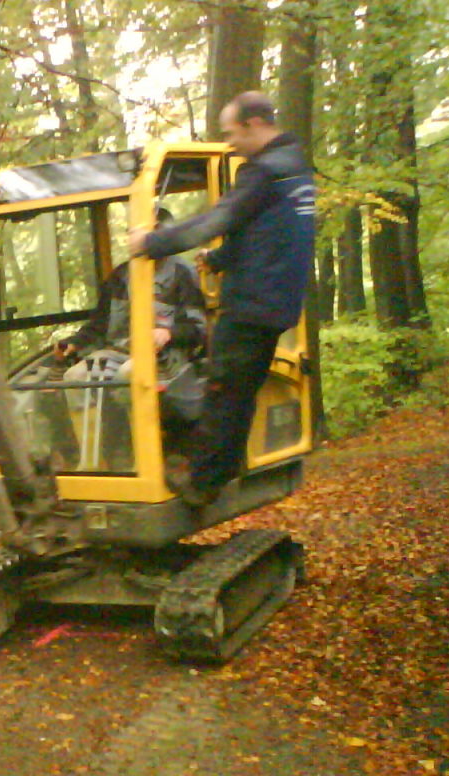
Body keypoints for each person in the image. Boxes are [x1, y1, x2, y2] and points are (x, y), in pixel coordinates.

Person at [130, 90, 315, 505]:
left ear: (254, 124)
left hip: (251, 304)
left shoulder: (264, 172)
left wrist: (152, 243)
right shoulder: (296, 169)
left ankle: (203, 481)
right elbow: (266, 233)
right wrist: (219, 259)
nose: (229, 143)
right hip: (278, 302)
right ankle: (222, 467)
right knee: (240, 390)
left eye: (231, 133)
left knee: (223, 390)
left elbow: (218, 219)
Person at [48, 212, 207, 470]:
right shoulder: (121, 276)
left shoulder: (182, 274)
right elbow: (99, 324)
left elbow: (198, 329)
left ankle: (142, 461)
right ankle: (92, 464)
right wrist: (75, 342)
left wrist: (169, 333)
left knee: (131, 373)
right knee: (75, 376)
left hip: (169, 357)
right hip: (121, 350)